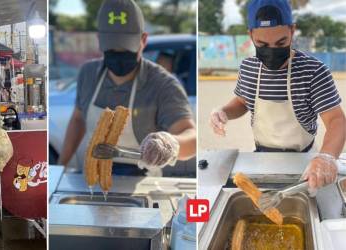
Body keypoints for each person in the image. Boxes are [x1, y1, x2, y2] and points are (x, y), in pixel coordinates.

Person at [209, 0, 346, 194]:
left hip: (305, 163)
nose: (272, 51)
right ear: (251, 34)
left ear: (292, 30)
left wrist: (326, 157)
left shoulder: (314, 71)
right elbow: (242, 102)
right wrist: (223, 112)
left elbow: (336, 120)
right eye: (262, 44)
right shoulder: (248, 68)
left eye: (281, 43)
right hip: (261, 160)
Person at [58, 0, 196, 175]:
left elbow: (190, 135)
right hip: (92, 175)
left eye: (126, 49)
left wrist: (171, 144)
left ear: (143, 40)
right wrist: (60, 166)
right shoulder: (88, 74)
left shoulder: (163, 84)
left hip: (142, 178)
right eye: (112, 49)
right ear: (99, 41)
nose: (119, 55)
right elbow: (78, 119)